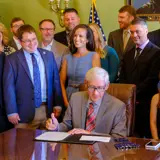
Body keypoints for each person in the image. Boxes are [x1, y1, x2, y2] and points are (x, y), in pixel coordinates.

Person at [3, 24, 64, 129]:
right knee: (23, 145)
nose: (32, 43)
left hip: (47, 111)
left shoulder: (48, 55)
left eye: (34, 39)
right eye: (27, 41)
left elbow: (55, 81)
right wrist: (11, 111)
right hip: (23, 113)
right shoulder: (11, 59)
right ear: (20, 41)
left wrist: (58, 104)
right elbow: (8, 87)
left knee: (48, 144)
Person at [46, 67, 127, 137]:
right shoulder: (75, 98)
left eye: (100, 88)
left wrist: (89, 134)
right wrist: (56, 127)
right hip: (77, 150)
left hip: (103, 152)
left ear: (107, 86)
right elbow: (67, 125)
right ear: (86, 83)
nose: (95, 93)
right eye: (92, 87)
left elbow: (118, 137)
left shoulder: (118, 106)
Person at [119, 18, 160, 138]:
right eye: (131, 32)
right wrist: (127, 95)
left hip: (145, 104)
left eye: (137, 31)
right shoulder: (128, 54)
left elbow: (152, 79)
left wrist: (134, 94)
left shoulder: (157, 52)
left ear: (146, 31)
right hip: (128, 104)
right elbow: (122, 78)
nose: (134, 35)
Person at [60, 24, 100, 107]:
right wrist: (65, 102)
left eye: (81, 36)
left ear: (87, 40)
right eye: (75, 35)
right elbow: (61, 82)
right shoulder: (66, 58)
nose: (77, 38)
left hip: (86, 96)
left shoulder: (94, 56)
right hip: (69, 96)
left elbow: (97, 82)